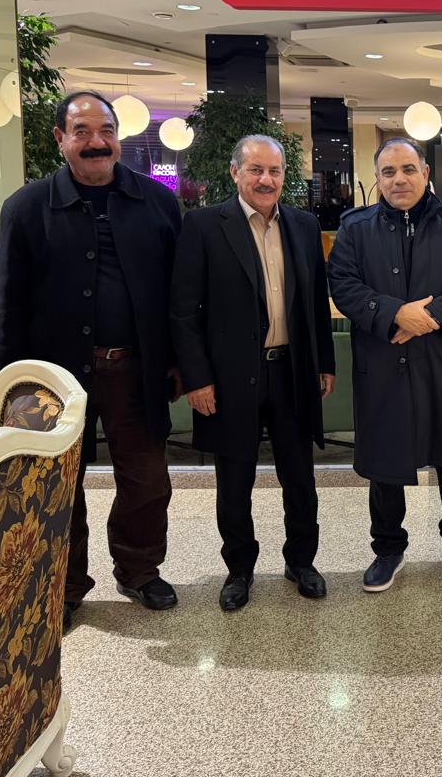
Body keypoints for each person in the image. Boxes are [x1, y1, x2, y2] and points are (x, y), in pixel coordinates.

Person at [0, 90, 181, 628]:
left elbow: (179, 295)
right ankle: (66, 585)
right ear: (60, 139)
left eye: (106, 131)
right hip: (53, 377)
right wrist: (5, 389)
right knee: (57, 484)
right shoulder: (26, 208)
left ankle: (139, 571)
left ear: (118, 136)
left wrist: (181, 362)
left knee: (146, 480)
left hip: (136, 370)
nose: (97, 142)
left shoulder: (158, 203)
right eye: (82, 132)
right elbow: (6, 305)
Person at [170, 134, 336, 612]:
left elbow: (315, 304)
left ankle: (301, 561)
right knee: (234, 479)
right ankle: (239, 569)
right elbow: (183, 310)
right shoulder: (204, 225)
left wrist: (324, 363)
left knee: (300, 476)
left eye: (275, 171)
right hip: (229, 378)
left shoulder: (303, 225)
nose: (266, 179)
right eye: (256, 170)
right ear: (235, 172)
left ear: (285, 176)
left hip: (292, 372)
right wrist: (197, 378)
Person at [328, 137, 442, 591]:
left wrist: (428, 317)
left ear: (425, 174)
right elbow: (343, 284)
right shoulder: (356, 228)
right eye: (389, 172)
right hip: (382, 357)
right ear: (378, 179)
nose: (399, 179)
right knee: (385, 457)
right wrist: (394, 313)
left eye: (408, 169)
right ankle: (388, 548)